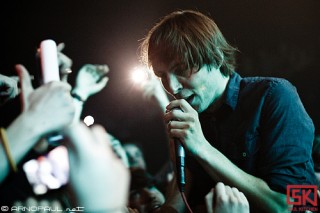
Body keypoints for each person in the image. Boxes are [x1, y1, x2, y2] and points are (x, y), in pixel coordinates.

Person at [140, 10, 317, 212]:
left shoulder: (274, 95)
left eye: (181, 69)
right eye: (161, 75)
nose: (172, 87)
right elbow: (179, 200)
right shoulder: (191, 118)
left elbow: (295, 205)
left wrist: (202, 148)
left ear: (215, 56)